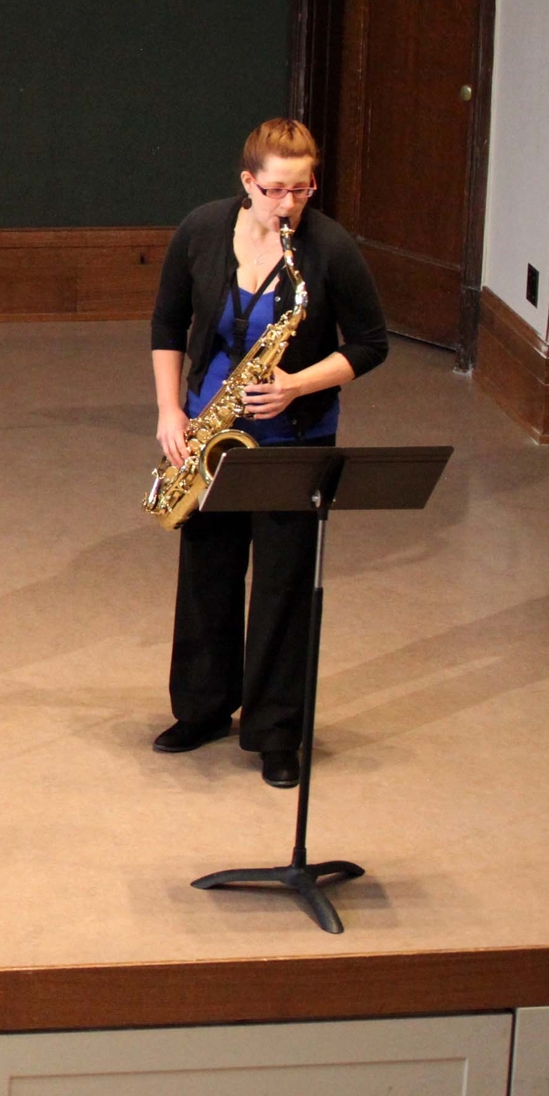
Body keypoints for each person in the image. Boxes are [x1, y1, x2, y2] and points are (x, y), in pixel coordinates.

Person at [149, 117, 388, 788]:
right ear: (248, 182)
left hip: (295, 437)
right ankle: (200, 708)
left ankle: (277, 729)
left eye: (304, 189)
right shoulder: (200, 231)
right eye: (278, 190)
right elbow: (168, 324)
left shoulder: (330, 248)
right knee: (207, 572)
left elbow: (371, 343)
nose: (292, 204)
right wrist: (172, 410)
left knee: (284, 584)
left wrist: (297, 385)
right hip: (211, 431)